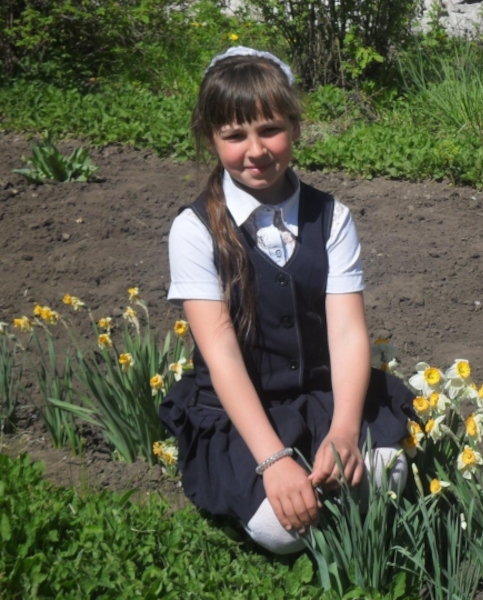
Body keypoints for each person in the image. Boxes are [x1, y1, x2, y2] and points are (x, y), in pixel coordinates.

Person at [159, 47, 414, 554]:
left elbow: (347, 333)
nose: (255, 150)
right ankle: (294, 497)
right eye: (235, 136)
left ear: (295, 127)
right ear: (210, 139)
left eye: (270, 129)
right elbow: (220, 351)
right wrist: (273, 462)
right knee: (281, 530)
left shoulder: (331, 217)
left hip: (321, 397)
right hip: (241, 412)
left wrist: (344, 431)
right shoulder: (194, 230)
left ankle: (330, 499)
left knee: (386, 473)